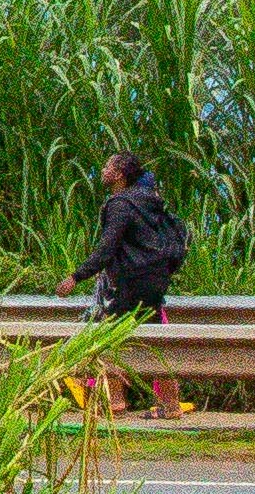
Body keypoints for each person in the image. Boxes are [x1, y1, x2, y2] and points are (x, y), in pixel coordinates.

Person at [64, 150, 191, 420]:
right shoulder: (150, 200)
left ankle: (116, 402)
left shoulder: (120, 205)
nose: (103, 169)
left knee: (107, 339)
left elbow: (107, 248)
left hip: (131, 281)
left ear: (119, 174)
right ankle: (169, 405)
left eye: (109, 165)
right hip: (154, 280)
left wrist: (76, 276)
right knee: (155, 341)